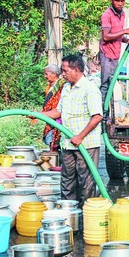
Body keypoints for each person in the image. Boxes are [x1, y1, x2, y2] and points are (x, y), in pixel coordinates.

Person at [40, 55, 103, 207]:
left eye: (65, 70)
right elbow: (58, 111)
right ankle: (69, 215)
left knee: (86, 182)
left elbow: (97, 116)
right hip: (67, 144)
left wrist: (80, 136)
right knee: (67, 180)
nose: (63, 74)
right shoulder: (67, 88)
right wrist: (38, 115)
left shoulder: (89, 88)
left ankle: (85, 216)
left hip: (85, 144)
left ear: (76, 70)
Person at [99, 0, 129, 102]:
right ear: (111, 0)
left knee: (112, 85)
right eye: (117, 1)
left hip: (116, 54)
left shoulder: (122, 14)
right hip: (107, 54)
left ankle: (109, 113)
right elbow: (106, 36)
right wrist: (126, 31)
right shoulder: (106, 15)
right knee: (105, 86)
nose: (120, 4)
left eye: (122, 1)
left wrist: (127, 40)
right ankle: (101, 115)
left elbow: (116, 34)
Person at [41, 64, 66, 152]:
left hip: (58, 121)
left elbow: (57, 108)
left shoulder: (62, 86)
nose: (45, 76)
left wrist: (39, 114)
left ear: (54, 74)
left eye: (46, 74)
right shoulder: (50, 87)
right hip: (50, 118)